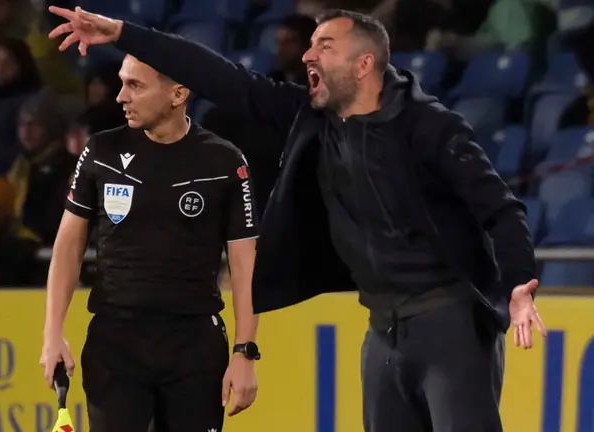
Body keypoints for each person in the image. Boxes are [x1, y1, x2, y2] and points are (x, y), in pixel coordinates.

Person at [47, 6, 547, 432]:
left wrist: (518, 283)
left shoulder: (430, 126)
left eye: (324, 46)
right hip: (382, 330)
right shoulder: (312, 116)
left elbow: (499, 207)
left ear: (364, 64)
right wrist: (123, 34)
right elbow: (222, 78)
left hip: (451, 322)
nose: (308, 55)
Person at [39, 54, 261, 432]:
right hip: (115, 343)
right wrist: (52, 333)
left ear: (178, 93)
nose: (120, 96)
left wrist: (245, 352)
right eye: (122, 82)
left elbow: (245, 264)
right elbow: (68, 246)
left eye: (135, 86)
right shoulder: (101, 152)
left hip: (194, 346)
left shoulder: (224, 161)